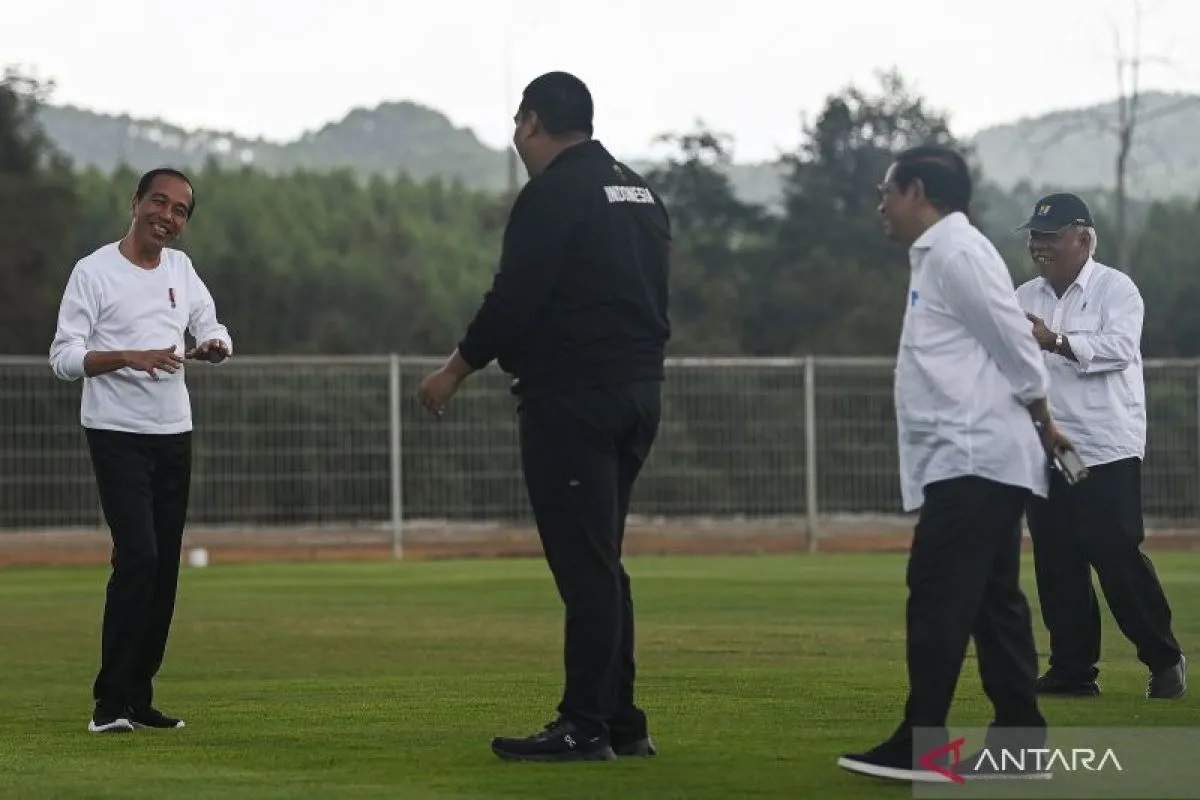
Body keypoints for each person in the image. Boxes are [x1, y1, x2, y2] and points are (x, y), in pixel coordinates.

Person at [417, 71, 670, 763]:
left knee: (585, 568)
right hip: (638, 392)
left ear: (531, 122)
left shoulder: (553, 193)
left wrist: (455, 368)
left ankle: (584, 725)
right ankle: (620, 719)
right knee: (604, 562)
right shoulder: (639, 190)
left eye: (517, 125)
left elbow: (516, 297)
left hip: (573, 399)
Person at [838, 146, 1076, 782]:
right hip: (976, 460)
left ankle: (922, 744)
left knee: (938, 596)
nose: (881, 204)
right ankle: (1021, 746)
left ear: (917, 191)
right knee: (992, 605)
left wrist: (1044, 419)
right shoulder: (941, 255)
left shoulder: (956, 253)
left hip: (974, 460)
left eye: (886, 190)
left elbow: (1015, 341)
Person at [49, 167, 233, 734]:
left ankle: (139, 695)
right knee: (139, 558)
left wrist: (214, 346)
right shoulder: (93, 272)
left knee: (164, 571)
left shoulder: (181, 269)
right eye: (160, 202)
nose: (168, 217)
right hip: (115, 432)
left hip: (173, 432)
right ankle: (109, 701)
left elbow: (213, 324)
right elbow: (63, 358)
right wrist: (128, 356)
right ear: (135, 203)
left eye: (180, 211)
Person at [1015, 192, 1186, 699]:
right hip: (1052, 449)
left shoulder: (1117, 290)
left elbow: (1117, 351)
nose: (1040, 246)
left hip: (1105, 447)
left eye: (1051, 236)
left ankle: (1164, 658)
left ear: (1083, 238)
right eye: (1035, 237)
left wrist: (1055, 341)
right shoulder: (1023, 297)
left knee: (1114, 550)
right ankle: (1073, 671)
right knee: (1057, 557)